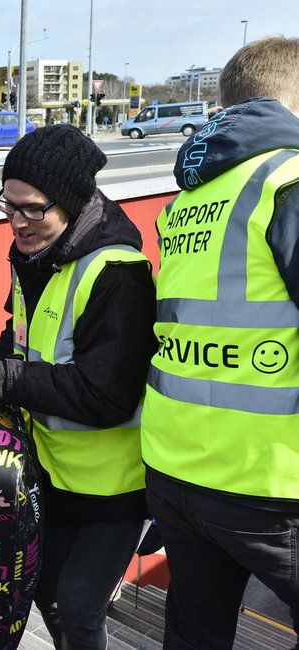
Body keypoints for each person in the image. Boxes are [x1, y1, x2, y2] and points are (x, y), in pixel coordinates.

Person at [0, 124, 157, 649]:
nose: (17, 222)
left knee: (81, 608)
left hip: (115, 490)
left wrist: (5, 381)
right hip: (51, 474)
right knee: (45, 594)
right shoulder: (35, 258)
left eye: (32, 209)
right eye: (8, 205)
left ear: (69, 201)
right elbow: (20, 339)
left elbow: (106, 395)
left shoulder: (118, 274)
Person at [141, 36, 299, 648]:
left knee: (194, 634)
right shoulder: (287, 179)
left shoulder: (192, 196)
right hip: (268, 480)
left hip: (178, 472)